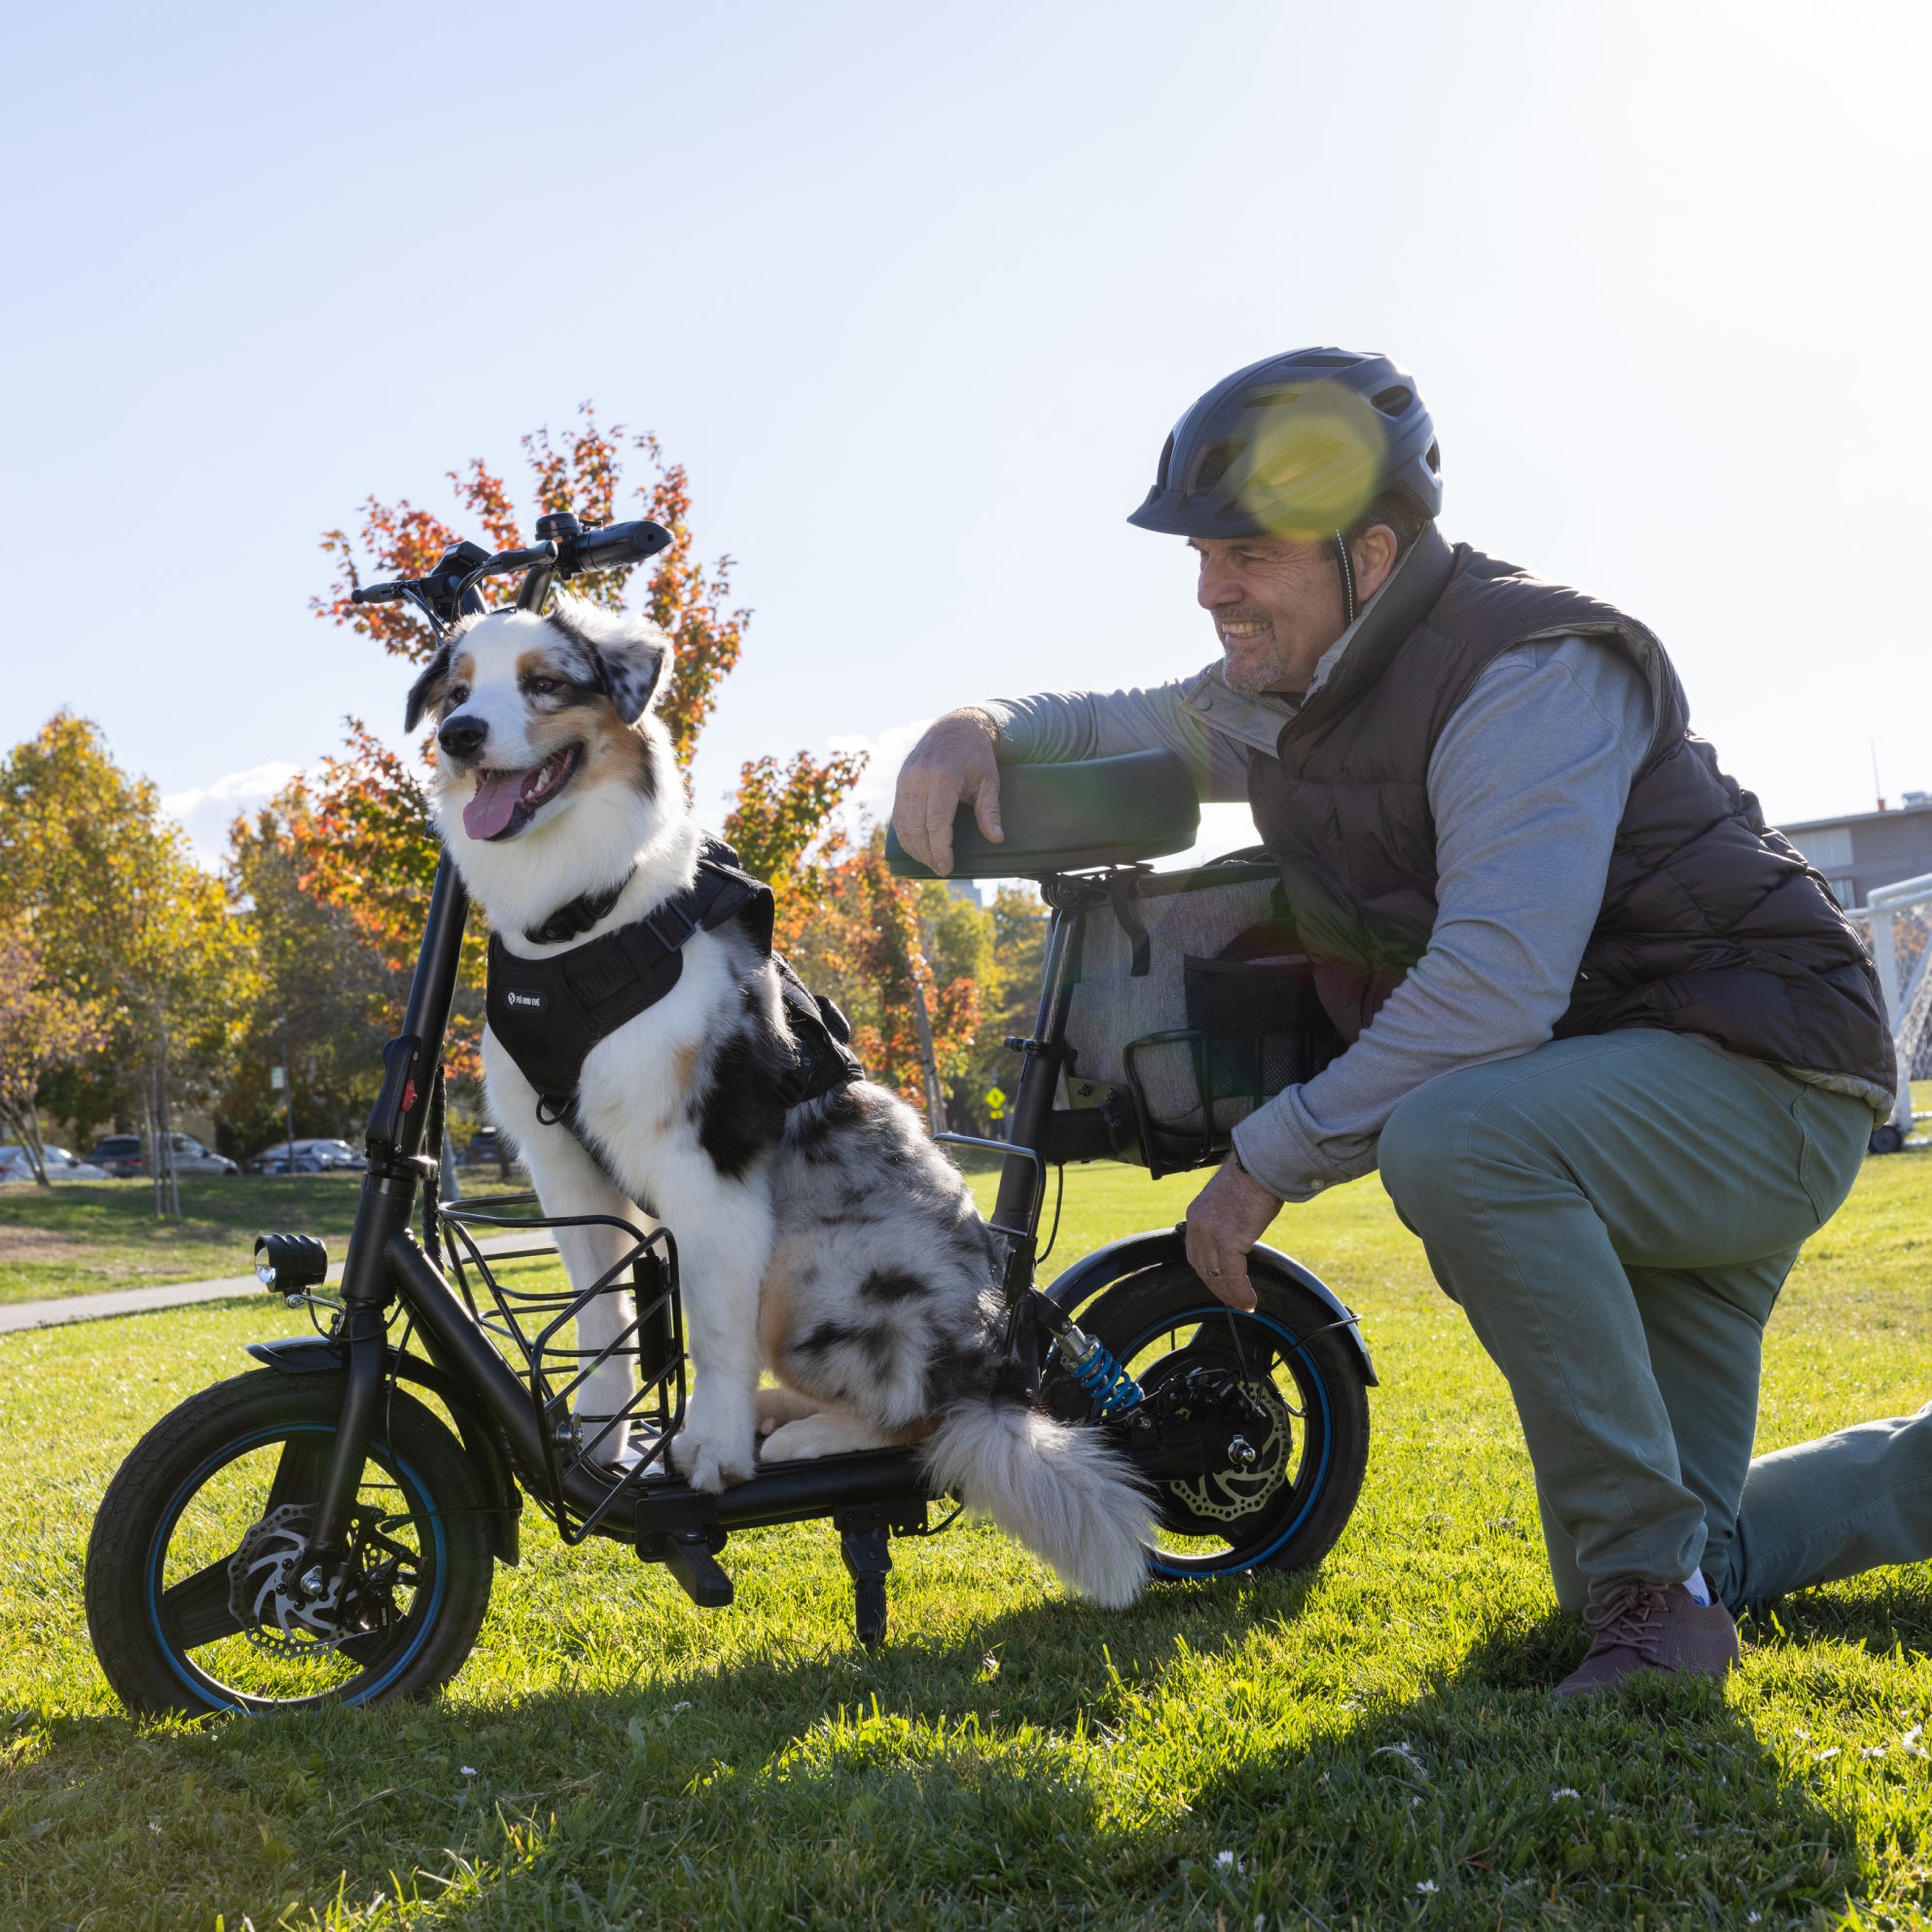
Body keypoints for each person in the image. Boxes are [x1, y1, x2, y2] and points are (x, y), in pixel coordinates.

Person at [891, 347, 1932, 1697]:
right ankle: (1674, 1576)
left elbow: (1495, 985)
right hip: (1606, 1094)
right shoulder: (1284, 693)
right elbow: (1108, 717)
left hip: (1764, 1073)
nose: (1212, 590)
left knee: (1454, 1140)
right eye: (1202, 556)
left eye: (1247, 555)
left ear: (1371, 551)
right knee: (1700, 1542)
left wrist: (1266, 1158)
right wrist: (972, 723)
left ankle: (1645, 1610)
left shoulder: (1530, 666)